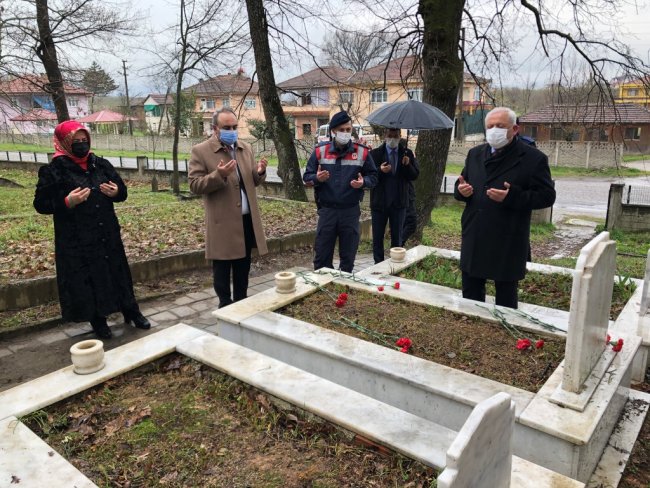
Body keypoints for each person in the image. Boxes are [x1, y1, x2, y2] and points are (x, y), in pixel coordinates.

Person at [33, 120, 150, 339]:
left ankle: (131, 311)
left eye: (84, 140)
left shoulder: (100, 164)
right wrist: (67, 201)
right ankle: (98, 320)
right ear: (64, 142)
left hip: (107, 233)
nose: (81, 144)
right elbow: (40, 204)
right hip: (78, 239)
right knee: (90, 279)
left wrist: (116, 192)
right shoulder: (54, 170)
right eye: (75, 141)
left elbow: (122, 191)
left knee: (118, 273)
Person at [454, 107, 556, 309]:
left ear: (515, 129)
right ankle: (473, 321)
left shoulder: (533, 158)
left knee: (506, 298)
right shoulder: (475, 154)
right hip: (475, 232)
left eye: (500, 126)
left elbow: (547, 196)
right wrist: (461, 191)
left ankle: (505, 325)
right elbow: (463, 183)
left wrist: (512, 196)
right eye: (490, 126)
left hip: (508, 236)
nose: (494, 130)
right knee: (471, 293)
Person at [188, 108, 268, 308]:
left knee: (243, 266)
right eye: (227, 127)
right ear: (215, 128)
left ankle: (241, 302)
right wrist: (219, 175)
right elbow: (194, 185)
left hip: (246, 219)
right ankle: (224, 304)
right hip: (222, 222)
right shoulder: (201, 151)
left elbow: (251, 181)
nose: (232, 131)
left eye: (234, 127)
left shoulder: (245, 148)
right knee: (222, 268)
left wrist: (260, 172)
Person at [303, 110, 378, 272]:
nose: (345, 133)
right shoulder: (320, 151)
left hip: (350, 212)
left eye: (348, 129)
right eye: (341, 130)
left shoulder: (362, 152)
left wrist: (363, 182)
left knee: (348, 259)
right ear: (333, 131)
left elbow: (374, 177)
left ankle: (344, 286)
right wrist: (317, 178)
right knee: (322, 259)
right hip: (327, 212)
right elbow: (307, 177)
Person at [369, 128, 419, 263]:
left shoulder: (407, 153)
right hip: (379, 203)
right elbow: (369, 176)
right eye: (390, 136)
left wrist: (408, 165)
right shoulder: (375, 154)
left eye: (395, 136)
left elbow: (414, 175)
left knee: (397, 238)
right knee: (377, 237)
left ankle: (395, 263)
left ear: (400, 136)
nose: (392, 139)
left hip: (399, 203)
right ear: (385, 136)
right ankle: (378, 265)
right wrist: (380, 170)